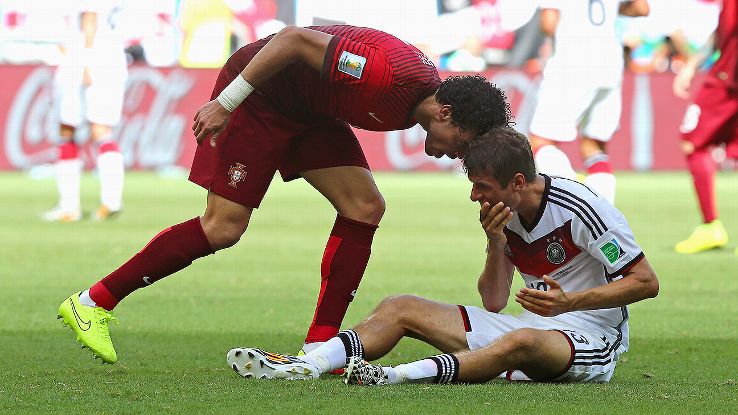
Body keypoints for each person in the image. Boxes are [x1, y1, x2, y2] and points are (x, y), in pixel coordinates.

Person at [57, 24, 512, 364]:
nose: (459, 154)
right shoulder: (382, 76)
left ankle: (320, 346)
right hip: (261, 98)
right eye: (464, 142)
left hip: (309, 110)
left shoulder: (420, 98)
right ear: (446, 113)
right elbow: (293, 40)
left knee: (364, 206)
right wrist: (227, 101)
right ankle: (91, 303)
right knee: (223, 227)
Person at [227, 127, 659, 384]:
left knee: (521, 341)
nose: (474, 196)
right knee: (400, 307)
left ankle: (394, 377)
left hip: (592, 338)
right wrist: (495, 245)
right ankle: (308, 365)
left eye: (482, 186)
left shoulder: (583, 209)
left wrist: (571, 302)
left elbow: (645, 282)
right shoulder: (503, 213)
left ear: (518, 181)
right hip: (532, 325)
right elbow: (493, 301)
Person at [528, 0, 650, 204]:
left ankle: (575, 196)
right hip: (610, 64)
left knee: (541, 142)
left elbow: (549, 23)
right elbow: (641, 8)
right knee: (594, 146)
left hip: (572, 63)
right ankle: (604, 218)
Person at [44, 0, 127, 222]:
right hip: (113, 56)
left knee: (68, 128)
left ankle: (69, 206)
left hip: (85, 58)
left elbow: (90, 17)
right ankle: (111, 201)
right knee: (103, 130)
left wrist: (86, 62)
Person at [672, 0, 737, 255]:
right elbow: (723, 32)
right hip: (727, 77)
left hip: (727, 81)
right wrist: (691, 65)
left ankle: (711, 225)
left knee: (692, 140)